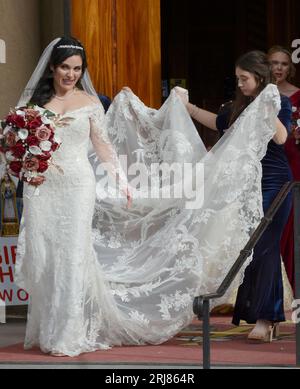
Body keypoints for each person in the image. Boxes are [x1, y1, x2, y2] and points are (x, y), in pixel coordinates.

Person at [14, 38, 283, 357]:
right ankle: (48, 327)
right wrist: (24, 163)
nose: (71, 74)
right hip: (44, 189)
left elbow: (103, 147)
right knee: (48, 256)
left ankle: (68, 332)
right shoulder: (33, 106)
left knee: (72, 254)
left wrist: (122, 183)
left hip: (77, 188)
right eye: (65, 68)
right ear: (52, 69)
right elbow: (20, 144)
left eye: (76, 68)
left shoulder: (88, 102)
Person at [176, 50, 292, 342]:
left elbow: (282, 137)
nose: (239, 83)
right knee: (250, 251)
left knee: (264, 247)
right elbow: (218, 124)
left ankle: (267, 318)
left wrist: (267, 103)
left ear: (260, 78)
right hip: (247, 186)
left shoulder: (280, 102)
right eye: (238, 78)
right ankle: (261, 315)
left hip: (275, 185)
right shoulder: (238, 106)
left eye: (244, 79)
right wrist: (186, 106)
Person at [268, 46, 300, 294]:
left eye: (284, 64)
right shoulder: (256, 95)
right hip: (268, 164)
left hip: (294, 159)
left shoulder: (298, 95)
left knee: (292, 222)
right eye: (274, 63)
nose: (279, 68)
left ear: (291, 68)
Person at [0, 172, 19, 236]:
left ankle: (14, 230)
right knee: (5, 214)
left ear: (9, 177)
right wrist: (4, 194)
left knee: (12, 213)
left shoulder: (12, 183)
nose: (6, 178)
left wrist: (11, 194)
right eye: (5, 176)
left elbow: (14, 190)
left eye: (7, 176)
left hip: (11, 202)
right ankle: (5, 230)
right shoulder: (2, 184)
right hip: (5, 202)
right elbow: (1, 192)